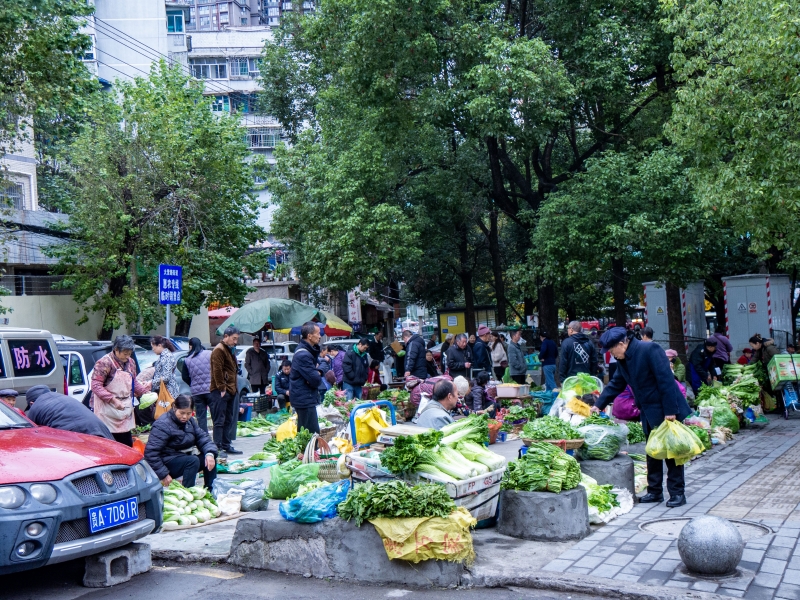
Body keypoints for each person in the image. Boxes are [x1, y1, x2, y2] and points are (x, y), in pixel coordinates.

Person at [592, 327, 692, 508]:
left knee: (672, 452)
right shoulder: (624, 359)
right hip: (647, 410)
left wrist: (670, 411)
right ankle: (655, 491)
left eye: (612, 350)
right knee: (652, 451)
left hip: (666, 409)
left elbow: (666, 381)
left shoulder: (649, 350)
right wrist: (598, 405)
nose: (612, 355)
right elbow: (616, 383)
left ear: (621, 344)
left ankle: (677, 493)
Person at [144, 395, 218, 490]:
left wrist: (210, 453)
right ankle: (188, 492)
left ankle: (211, 490)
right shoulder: (162, 424)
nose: (185, 417)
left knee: (209, 457)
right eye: (182, 413)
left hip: (182, 458)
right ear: (174, 408)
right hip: (166, 461)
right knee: (192, 461)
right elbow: (151, 453)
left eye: (188, 413)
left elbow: (202, 437)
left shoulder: (190, 421)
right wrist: (164, 474)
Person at [91, 335, 151, 447]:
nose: (127, 357)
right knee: (109, 444)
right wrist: (113, 400)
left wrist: (144, 392)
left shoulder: (131, 362)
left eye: (129, 353)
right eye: (125, 353)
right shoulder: (104, 363)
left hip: (124, 408)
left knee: (126, 443)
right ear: (116, 350)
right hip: (106, 409)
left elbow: (134, 382)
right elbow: (96, 385)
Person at [25, 385, 113, 440]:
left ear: (31, 403)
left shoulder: (35, 407)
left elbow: (31, 434)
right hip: (98, 427)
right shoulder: (62, 396)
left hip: (75, 436)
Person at [210, 326, 242, 458]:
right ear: (226, 336)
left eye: (236, 339)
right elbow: (217, 370)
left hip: (230, 390)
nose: (235, 341)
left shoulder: (229, 349)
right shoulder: (219, 350)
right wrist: (222, 388)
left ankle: (226, 444)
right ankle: (217, 447)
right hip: (220, 391)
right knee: (219, 420)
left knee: (228, 419)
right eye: (234, 339)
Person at [290, 322, 324, 434]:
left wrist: (318, 371)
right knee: (310, 434)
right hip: (304, 398)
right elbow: (316, 380)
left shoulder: (310, 352)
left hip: (307, 397)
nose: (320, 336)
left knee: (310, 433)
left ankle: (308, 451)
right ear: (309, 336)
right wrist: (317, 373)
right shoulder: (303, 355)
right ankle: (307, 451)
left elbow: (324, 365)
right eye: (318, 333)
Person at [182, 338, 213, 432]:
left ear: (190, 346)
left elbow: (185, 376)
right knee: (215, 415)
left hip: (197, 392)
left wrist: (192, 384)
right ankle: (218, 440)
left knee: (201, 417)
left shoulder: (187, 360)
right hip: (211, 390)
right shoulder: (209, 354)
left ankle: (204, 439)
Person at [151, 336, 180, 400]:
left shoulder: (167, 357)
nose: (153, 349)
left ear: (159, 345)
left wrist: (151, 382)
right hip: (166, 390)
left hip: (168, 391)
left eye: (153, 347)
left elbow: (166, 377)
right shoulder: (164, 356)